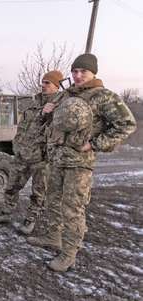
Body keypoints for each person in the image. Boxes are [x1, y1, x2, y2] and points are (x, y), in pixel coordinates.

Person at [27, 53, 137, 272]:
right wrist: (46, 112)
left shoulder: (104, 96)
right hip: (57, 159)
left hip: (79, 163)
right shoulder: (65, 95)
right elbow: (54, 122)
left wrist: (95, 144)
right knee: (53, 201)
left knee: (73, 208)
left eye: (83, 71)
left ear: (93, 73)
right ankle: (52, 237)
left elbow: (127, 124)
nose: (78, 75)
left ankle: (68, 254)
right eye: (75, 71)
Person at [0, 70, 63, 236]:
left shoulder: (59, 106)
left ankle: (31, 218)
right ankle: (7, 212)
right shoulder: (33, 104)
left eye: (48, 83)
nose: (43, 85)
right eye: (43, 82)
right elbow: (22, 128)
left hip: (41, 159)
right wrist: (16, 145)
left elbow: (57, 130)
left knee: (38, 192)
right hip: (22, 154)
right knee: (12, 185)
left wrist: (48, 114)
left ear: (57, 86)